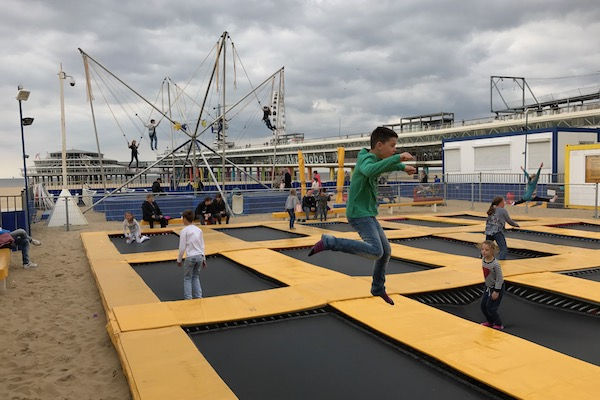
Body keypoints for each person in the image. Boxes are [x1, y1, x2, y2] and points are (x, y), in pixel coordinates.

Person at [308, 126, 416, 305]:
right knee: (376, 251)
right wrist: (399, 158)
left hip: (368, 213)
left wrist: (403, 167)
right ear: (379, 145)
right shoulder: (366, 160)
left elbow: (383, 166)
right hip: (358, 214)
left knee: (386, 251)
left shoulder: (376, 159)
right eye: (392, 146)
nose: (395, 149)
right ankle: (330, 242)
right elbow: (370, 170)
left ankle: (378, 287)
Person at [177, 210, 206, 300]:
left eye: (182, 218)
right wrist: (204, 258)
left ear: (185, 219)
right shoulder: (198, 229)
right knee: (196, 277)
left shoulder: (184, 231)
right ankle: (199, 296)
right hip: (199, 256)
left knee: (187, 278)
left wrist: (179, 259)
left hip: (190, 257)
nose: (182, 220)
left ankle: (188, 298)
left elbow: (182, 247)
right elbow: (202, 245)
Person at [478, 240, 505, 330]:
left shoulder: (495, 264)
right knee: (483, 305)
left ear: (492, 251)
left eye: (487, 250)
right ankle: (490, 321)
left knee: (491, 307)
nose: (484, 252)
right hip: (488, 287)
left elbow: (500, 278)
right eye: (482, 249)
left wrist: (496, 291)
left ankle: (498, 323)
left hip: (497, 288)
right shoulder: (483, 259)